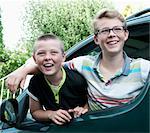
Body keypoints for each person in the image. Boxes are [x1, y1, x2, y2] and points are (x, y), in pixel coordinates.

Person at [6, 9, 150, 111]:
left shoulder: (142, 68)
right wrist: (22, 71)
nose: (112, 34)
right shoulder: (84, 64)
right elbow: (52, 65)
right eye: (105, 30)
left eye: (117, 29)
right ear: (96, 39)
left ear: (125, 34)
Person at [25, 34, 88, 125]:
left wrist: (83, 109)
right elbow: (35, 112)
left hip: (81, 125)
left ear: (63, 57)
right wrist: (50, 114)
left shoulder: (77, 79)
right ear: (34, 58)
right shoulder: (35, 82)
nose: (47, 58)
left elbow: (90, 101)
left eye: (53, 52)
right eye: (41, 53)